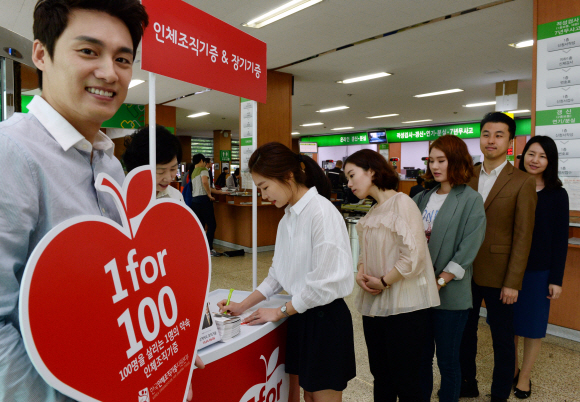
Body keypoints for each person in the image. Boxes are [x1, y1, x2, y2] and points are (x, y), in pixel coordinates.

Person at [0, 1, 148, 400]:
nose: (108, 72)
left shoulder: (108, 164)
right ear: (41, 54)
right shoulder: (11, 154)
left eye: (122, 58)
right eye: (88, 51)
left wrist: (161, 354)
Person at [217, 142, 355, 402]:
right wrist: (242, 305)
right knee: (308, 396)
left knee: (323, 397)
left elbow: (323, 285)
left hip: (325, 321)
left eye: (265, 187)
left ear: (288, 176)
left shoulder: (321, 213)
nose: (264, 195)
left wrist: (279, 311)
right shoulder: (288, 219)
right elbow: (277, 275)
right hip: (301, 316)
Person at [344, 149, 440, 402]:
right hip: (376, 306)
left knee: (407, 379)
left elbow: (414, 256)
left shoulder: (403, 203)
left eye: (352, 175)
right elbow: (366, 252)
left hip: (406, 308)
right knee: (381, 375)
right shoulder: (374, 211)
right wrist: (362, 273)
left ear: (372, 172)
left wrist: (384, 281)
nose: (349, 183)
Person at [459, 112, 537, 402]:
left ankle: (499, 393)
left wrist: (513, 282)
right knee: (464, 335)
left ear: (511, 141)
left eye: (499, 135)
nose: (491, 140)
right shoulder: (466, 177)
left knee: (503, 340)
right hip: (464, 271)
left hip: (501, 275)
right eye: (486, 134)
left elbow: (523, 236)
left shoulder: (522, 182)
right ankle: (468, 383)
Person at [413, 136, 486, 402]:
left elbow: (469, 246)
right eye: (431, 160)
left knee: (448, 362)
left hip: (450, 295)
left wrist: (441, 280)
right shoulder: (423, 197)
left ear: (455, 161)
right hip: (419, 293)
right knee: (421, 360)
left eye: (441, 160)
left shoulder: (470, 199)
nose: (434, 166)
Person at [512, 136, 569, 399]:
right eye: (531, 154)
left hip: (538, 272)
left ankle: (525, 377)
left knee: (533, 328)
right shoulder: (512, 186)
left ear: (550, 161)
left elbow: (560, 240)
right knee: (508, 326)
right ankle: (510, 369)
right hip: (509, 269)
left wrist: (555, 279)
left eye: (543, 156)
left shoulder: (558, 194)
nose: (535, 160)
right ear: (522, 156)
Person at [122, 125, 184, 201]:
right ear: (139, 168)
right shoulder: (126, 198)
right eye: (160, 172)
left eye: (173, 169)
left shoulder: (176, 196)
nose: (168, 178)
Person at [188, 153, 223, 257]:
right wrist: (209, 194)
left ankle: (199, 247)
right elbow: (204, 182)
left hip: (195, 201)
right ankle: (209, 248)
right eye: (204, 161)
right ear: (201, 161)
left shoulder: (193, 171)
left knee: (201, 225)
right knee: (212, 224)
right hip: (203, 200)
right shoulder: (203, 170)